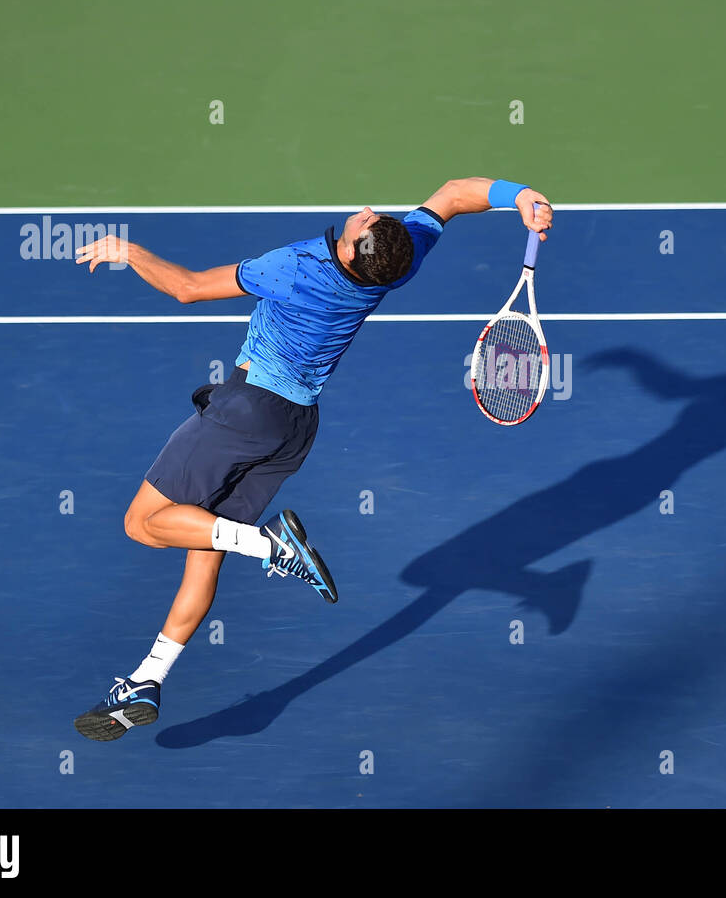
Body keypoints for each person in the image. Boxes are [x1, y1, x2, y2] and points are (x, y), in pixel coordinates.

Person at [70, 178, 553, 741]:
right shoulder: (400, 256)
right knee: (205, 547)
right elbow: (449, 195)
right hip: (295, 428)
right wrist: (518, 195)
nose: (368, 211)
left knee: (143, 525)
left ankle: (273, 547)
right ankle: (147, 680)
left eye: (365, 223)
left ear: (350, 250)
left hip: (245, 413)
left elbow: (188, 289)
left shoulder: (299, 266)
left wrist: (128, 252)